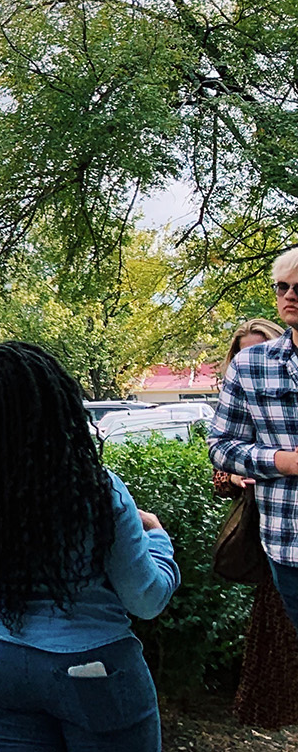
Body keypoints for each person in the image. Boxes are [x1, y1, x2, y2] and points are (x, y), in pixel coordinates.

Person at [0, 342, 179, 751]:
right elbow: (145, 598)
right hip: (94, 666)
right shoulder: (96, 488)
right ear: (58, 403)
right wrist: (158, 540)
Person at [211, 311, 298, 728]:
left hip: (279, 532)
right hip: (271, 537)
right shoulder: (244, 384)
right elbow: (221, 463)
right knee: (278, 648)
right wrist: (244, 473)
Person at [211, 246, 298, 639]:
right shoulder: (251, 364)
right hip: (288, 544)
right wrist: (282, 461)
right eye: (282, 287)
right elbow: (221, 446)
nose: (289, 296)